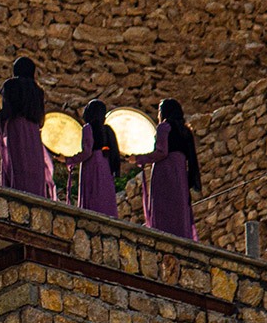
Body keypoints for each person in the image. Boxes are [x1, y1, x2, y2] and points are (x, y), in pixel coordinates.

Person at [134, 99, 201, 241]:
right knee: (178, 208)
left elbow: (161, 152)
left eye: (160, 110)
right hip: (180, 173)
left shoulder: (164, 127)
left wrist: (139, 158)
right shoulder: (185, 131)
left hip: (165, 172)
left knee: (164, 207)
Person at [0, 57, 55, 199]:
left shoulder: (11, 85)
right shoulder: (37, 91)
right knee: (33, 164)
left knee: (18, 164)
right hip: (33, 133)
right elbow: (41, 119)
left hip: (16, 130)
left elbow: (5, 112)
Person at [64, 99, 120, 218]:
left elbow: (87, 152)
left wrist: (69, 160)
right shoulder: (108, 130)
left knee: (92, 194)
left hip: (92, 165)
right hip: (105, 165)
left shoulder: (88, 128)